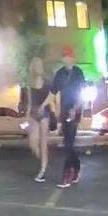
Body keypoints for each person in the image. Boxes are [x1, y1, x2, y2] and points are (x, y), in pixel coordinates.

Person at [50, 45, 86, 188]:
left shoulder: (78, 73)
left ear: (73, 58)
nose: (67, 59)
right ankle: (76, 167)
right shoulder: (59, 74)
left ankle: (67, 175)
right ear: (63, 59)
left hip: (75, 110)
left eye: (69, 57)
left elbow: (82, 94)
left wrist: (75, 108)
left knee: (68, 143)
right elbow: (52, 92)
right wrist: (47, 107)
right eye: (65, 57)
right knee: (68, 142)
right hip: (64, 111)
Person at [25, 57, 56, 182]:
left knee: (43, 143)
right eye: (36, 65)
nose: (38, 67)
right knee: (32, 143)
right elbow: (29, 102)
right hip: (33, 114)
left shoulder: (47, 83)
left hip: (44, 114)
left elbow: (51, 98)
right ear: (33, 67)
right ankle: (44, 161)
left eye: (40, 64)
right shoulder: (30, 84)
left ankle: (42, 170)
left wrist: (49, 110)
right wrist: (27, 116)